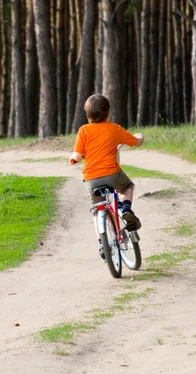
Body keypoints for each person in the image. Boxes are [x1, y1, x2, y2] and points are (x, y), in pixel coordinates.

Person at [69, 94, 144, 259]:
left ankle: (102, 244)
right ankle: (126, 208)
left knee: (97, 211)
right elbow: (135, 142)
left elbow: (78, 155)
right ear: (108, 113)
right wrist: (140, 137)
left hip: (92, 179)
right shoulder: (115, 129)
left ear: (87, 114)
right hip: (112, 175)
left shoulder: (84, 130)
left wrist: (73, 159)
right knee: (127, 187)